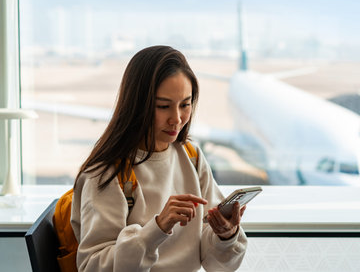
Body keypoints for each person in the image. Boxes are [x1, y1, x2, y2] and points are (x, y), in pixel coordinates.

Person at [70, 46, 248, 272]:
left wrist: (226, 236)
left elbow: (218, 264)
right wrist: (157, 229)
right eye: (163, 106)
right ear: (137, 105)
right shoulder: (107, 173)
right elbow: (92, 266)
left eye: (185, 104)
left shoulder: (191, 156)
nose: (177, 119)